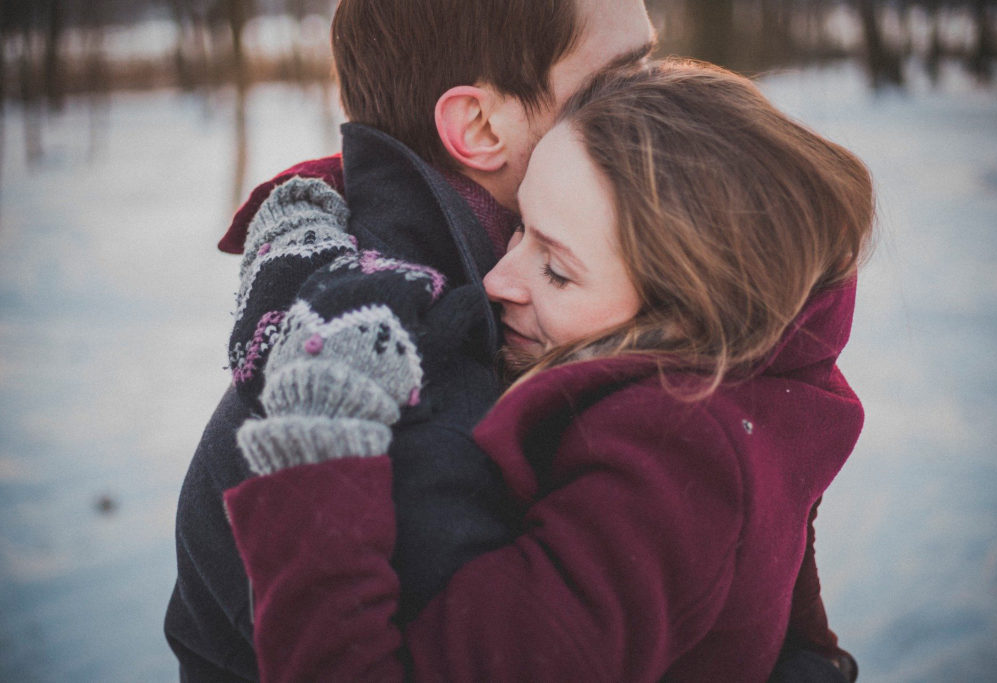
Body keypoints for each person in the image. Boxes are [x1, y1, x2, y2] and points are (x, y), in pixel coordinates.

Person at [221, 59, 874, 681]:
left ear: (686, 314)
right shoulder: (761, 387)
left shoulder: (669, 472)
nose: (499, 280)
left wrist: (318, 444)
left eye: (557, 270)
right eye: (519, 227)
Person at [165, 1, 658, 679]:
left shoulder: (505, 303)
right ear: (479, 125)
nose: (665, 102)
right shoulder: (415, 397)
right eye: (621, 80)